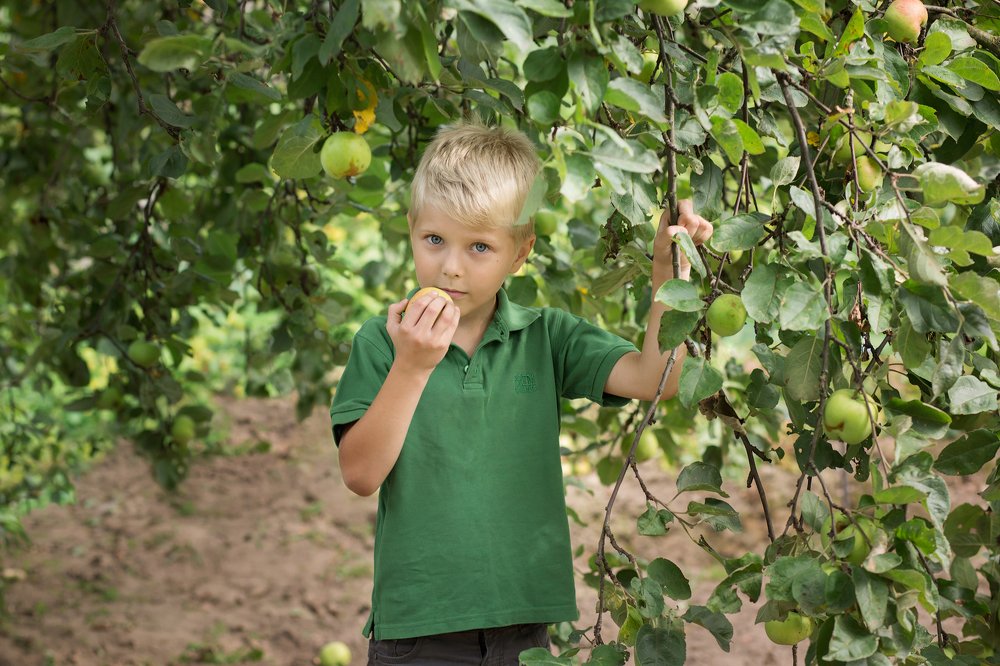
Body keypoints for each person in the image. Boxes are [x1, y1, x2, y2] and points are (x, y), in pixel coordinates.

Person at [329, 118, 713, 665]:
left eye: (479, 246)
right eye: (434, 240)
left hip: (523, 631)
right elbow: (360, 475)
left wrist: (664, 272)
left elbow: (658, 379)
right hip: (417, 633)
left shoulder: (546, 337)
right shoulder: (384, 342)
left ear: (519, 253)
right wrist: (412, 366)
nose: (450, 267)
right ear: (411, 229)